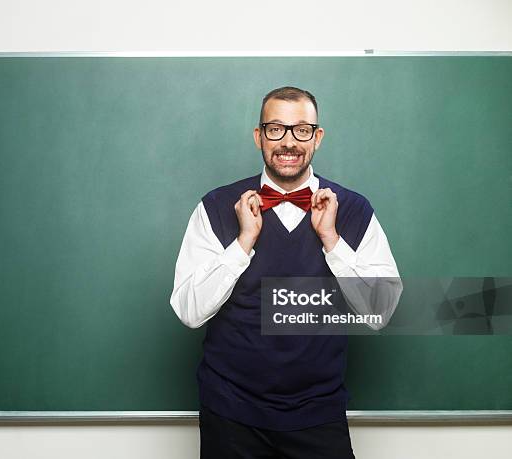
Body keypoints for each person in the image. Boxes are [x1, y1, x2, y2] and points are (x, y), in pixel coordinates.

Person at [170, 86, 401, 458]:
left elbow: (382, 311)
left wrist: (332, 239)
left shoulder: (355, 211)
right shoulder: (215, 207)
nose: (289, 142)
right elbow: (188, 311)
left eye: (301, 130)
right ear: (259, 136)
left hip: (318, 413)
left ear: (317, 137)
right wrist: (243, 242)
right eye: (276, 129)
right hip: (231, 413)